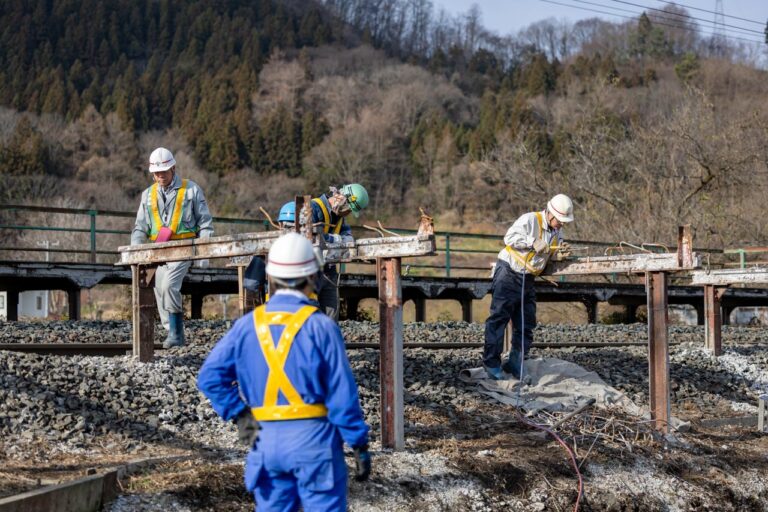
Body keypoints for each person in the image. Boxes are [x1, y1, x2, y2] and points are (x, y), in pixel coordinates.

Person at [197, 232, 371, 511]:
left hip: (266, 442)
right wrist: (358, 442)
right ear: (312, 277)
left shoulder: (246, 326)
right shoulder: (321, 327)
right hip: (315, 442)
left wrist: (240, 415)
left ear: (271, 278)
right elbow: (342, 395)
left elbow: (209, 377)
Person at [482, 194, 574, 380]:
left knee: (526, 322)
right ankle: (491, 364)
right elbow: (509, 237)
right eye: (560, 221)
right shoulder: (530, 219)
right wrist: (532, 242)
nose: (561, 224)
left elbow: (547, 254)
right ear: (550, 214)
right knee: (499, 318)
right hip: (509, 272)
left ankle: (516, 362)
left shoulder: (557, 232)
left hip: (528, 277)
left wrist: (558, 255)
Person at [131, 147, 213, 348]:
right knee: (159, 288)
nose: (160, 176)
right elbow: (140, 228)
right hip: (159, 251)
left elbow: (205, 223)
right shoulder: (147, 196)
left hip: (184, 249)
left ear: (173, 169)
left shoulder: (191, 190)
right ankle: (172, 332)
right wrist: (135, 252)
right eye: (156, 173)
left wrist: (204, 254)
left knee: (169, 285)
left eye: (164, 172)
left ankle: (176, 334)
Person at [308, 184, 369, 321]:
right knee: (309, 313)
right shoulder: (313, 208)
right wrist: (336, 239)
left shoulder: (339, 216)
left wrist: (332, 239)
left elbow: (349, 239)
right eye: (349, 209)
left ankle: (329, 340)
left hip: (328, 269)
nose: (348, 213)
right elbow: (313, 238)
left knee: (331, 315)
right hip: (309, 270)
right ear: (343, 199)